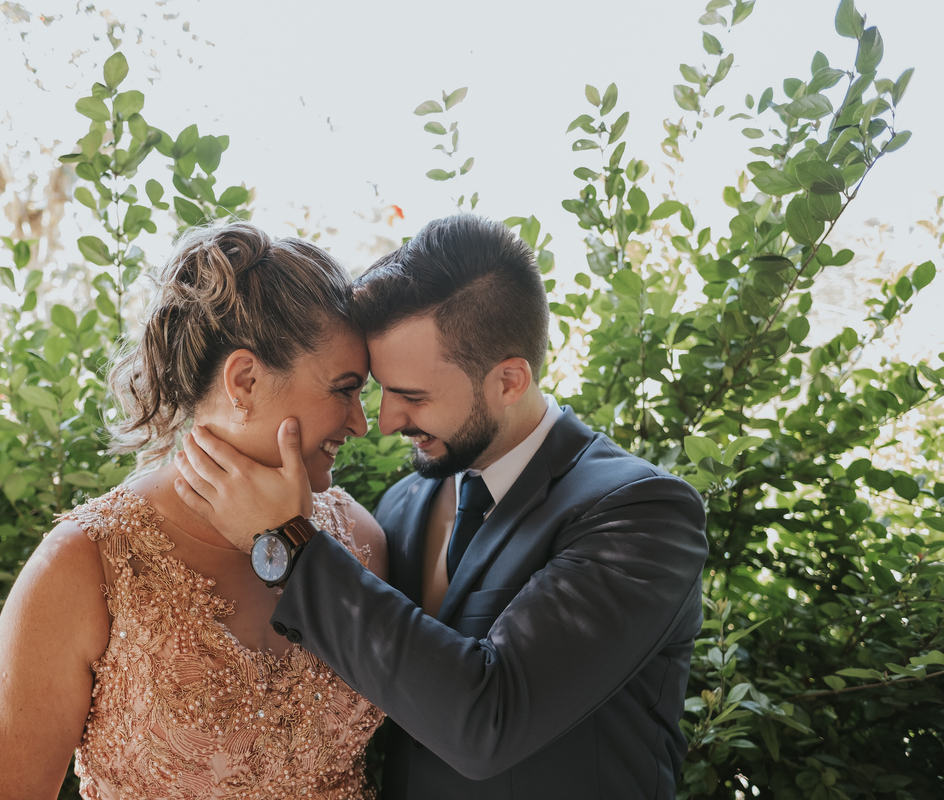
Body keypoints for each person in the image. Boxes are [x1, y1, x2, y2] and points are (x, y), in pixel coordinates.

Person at [174, 214, 709, 799]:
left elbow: (489, 722)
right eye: (381, 390)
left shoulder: (641, 514)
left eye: (413, 396)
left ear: (508, 380)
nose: (385, 421)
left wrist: (288, 543)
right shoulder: (401, 506)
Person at [0, 222, 388, 800]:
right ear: (245, 379)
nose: (362, 423)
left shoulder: (360, 540)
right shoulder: (86, 566)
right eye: (344, 389)